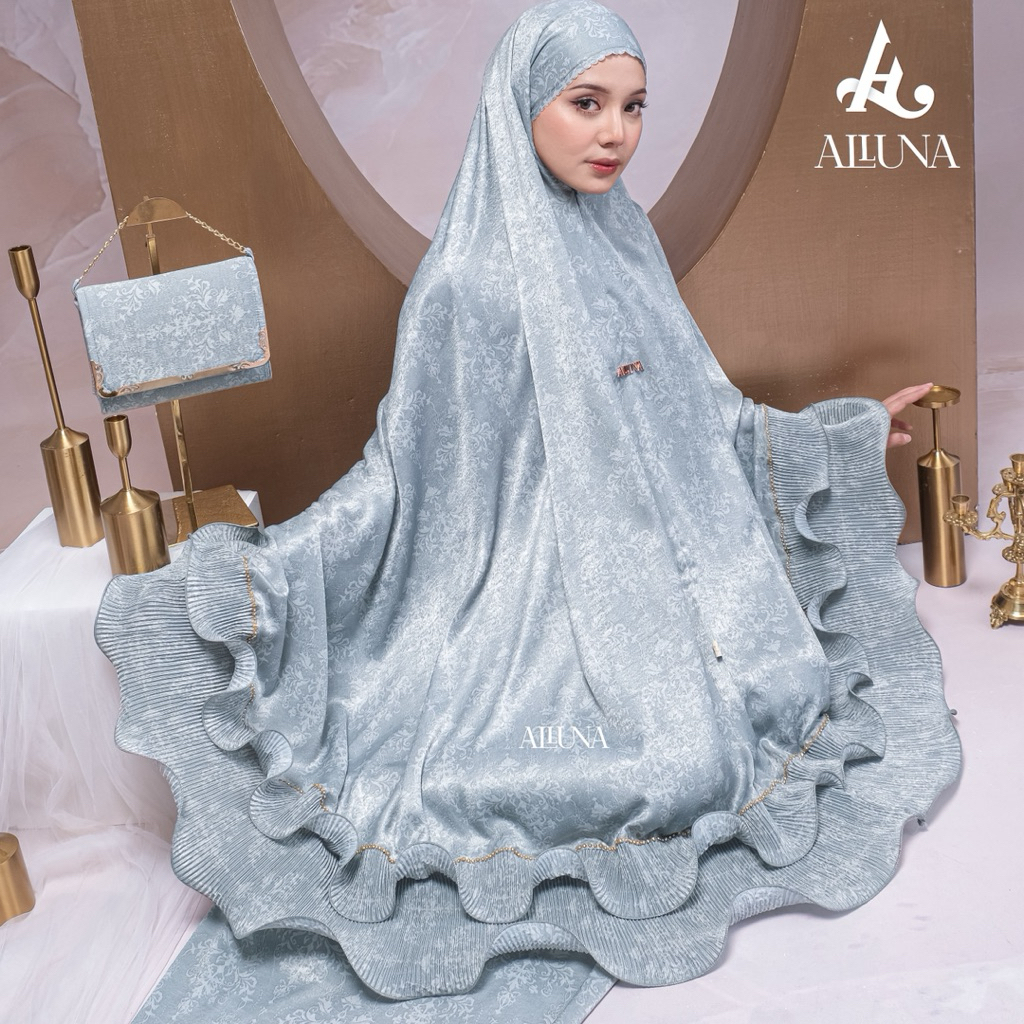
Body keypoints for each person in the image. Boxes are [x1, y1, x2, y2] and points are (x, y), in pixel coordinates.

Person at [97, 0, 960, 1014]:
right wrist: (257, 583)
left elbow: (698, 414)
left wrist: (835, 436)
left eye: (634, 106)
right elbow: (402, 478)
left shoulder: (621, 236)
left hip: (644, 588)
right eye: (586, 103)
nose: (615, 133)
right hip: (515, 618)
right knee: (653, 768)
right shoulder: (465, 285)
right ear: (519, 104)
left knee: (756, 706)